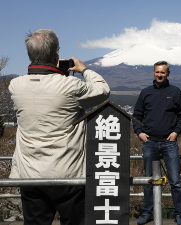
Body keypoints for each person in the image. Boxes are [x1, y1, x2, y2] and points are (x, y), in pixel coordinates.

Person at [9, 29, 110, 225]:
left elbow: (41, 88)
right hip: (68, 173)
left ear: (29, 54)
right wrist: (84, 70)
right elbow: (103, 90)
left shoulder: (15, 85)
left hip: (29, 174)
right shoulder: (71, 85)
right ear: (56, 53)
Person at [132, 61, 181, 225]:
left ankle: (179, 214)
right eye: (157, 72)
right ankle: (148, 213)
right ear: (153, 73)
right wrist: (139, 133)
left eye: (163, 72)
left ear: (168, 73)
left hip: (169, 143)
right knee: (149, 180)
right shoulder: (145, 93)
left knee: (175, 181)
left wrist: (176, 131)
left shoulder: (175, 92)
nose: (160, 75)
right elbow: (136, 115)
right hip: (149, 142)